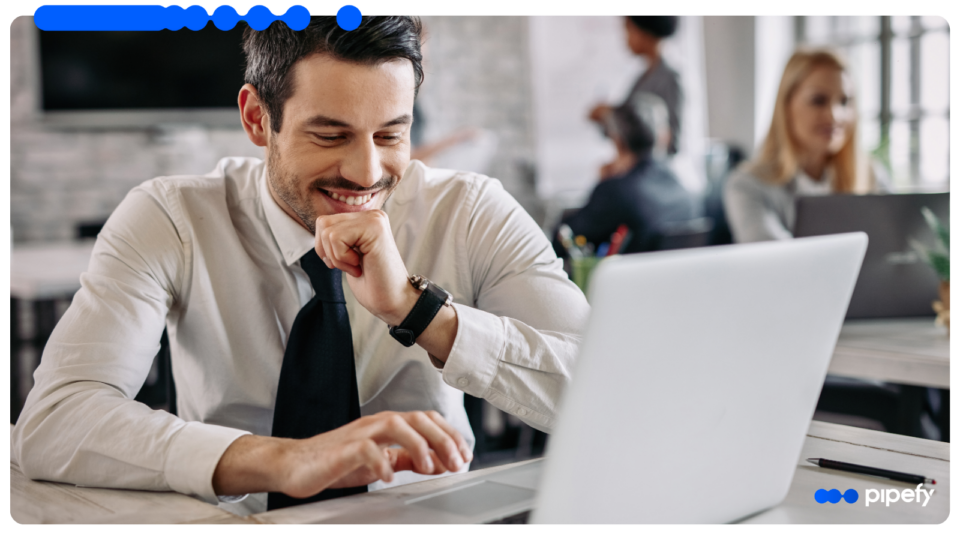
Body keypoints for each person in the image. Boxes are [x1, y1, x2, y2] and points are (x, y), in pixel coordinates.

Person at [11, 16, 589, 516]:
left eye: (391, 134)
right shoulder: (172, 215)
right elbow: (55, 421)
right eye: (330, 135)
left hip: (432, 517)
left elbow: (601, 390)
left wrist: (418, 310)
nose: (367, 174)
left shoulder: (470, 210)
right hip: (243, 521)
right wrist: (283, 459)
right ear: (258, 119)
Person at [724, 48, 889, 243]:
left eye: (844, 101)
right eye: (818, 101)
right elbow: (774, 260)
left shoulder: (872, 176)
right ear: (786, 106)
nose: (835, 115)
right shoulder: (748, 185)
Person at [555, 92, 698, 255]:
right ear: (663, 137)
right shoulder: (685, 190)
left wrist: (603, 182)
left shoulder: (615, 191)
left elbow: (562, 241)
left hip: (631, 279)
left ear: (618, 141)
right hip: (676, 279)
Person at [589, 16, 683, 156]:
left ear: (645, 32)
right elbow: (628, 128)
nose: (625, 38)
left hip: (652, 172)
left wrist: (610, 114)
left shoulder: (670, 79)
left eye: (628, 29)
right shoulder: (643, 77)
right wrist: (607, 117)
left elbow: (672, 143)